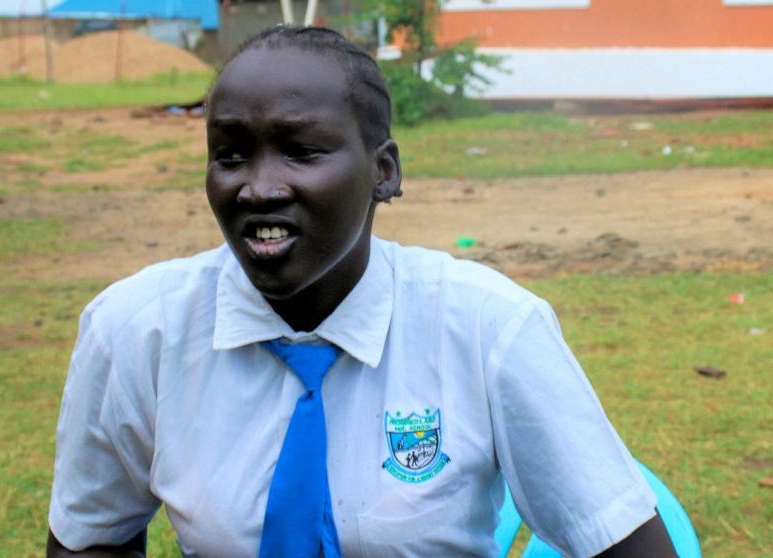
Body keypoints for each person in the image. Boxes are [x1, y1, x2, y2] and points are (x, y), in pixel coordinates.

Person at [46, 26, 677, 558]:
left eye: (301, 152)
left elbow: (621, 540)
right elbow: (91, 538)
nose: (258, 188)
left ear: (384, 172)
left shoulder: (490, 328)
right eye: (231, 155)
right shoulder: (137, 330)